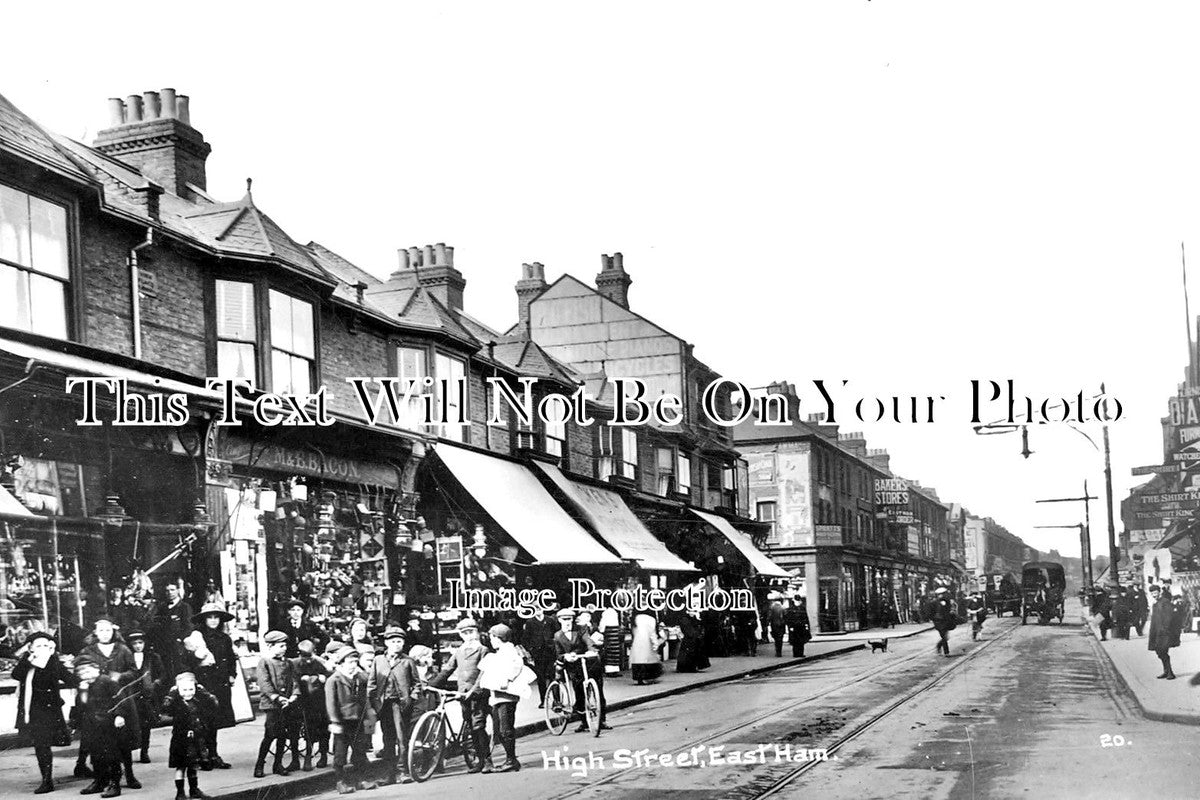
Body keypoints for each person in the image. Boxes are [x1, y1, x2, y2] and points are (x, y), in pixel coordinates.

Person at [78, 617, 142, 790]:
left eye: (108, 630)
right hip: (96, 701)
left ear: (113, 632)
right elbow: (80, 669)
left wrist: (120, 676)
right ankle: (101, 779)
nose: (105, 634)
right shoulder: (88, 650)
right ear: (95, 632)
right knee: (97, 741)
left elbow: (135, 672)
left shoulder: (122, 650)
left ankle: (129, 775)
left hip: (120, 699)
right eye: (101, 630)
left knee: (123, 740)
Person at [13, 631, 78, 794]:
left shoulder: (53, 661)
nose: (42, 648)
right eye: (38, 645)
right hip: (33, 709)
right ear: (31, 648)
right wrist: (29, 661)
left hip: (50, 709)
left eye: (45, 645)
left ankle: (51, 778)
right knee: (40, 744)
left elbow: (68, 677)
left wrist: (85, 681)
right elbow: (16, 675)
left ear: (50, 647)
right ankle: (46, 780)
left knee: (45, 743)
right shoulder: (27, 661)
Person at [429, 618, 491, 769]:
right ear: (461, 635)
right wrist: (431, 686)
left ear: (477, 633)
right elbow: (447, 670)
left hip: (478, 694)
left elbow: (484, 673)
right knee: (470, 725)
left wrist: (474, 690)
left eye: (471, 632)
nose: (469, 636)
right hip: (463, 694)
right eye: (465, 633)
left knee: (478, 726)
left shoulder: (483, 650)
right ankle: (478, 760)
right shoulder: (459, 652)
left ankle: (487, 760)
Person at [72, 655, 135, 798]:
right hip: (92, 725)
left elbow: (120, 698)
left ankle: (115, 784)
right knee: (96, 755)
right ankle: (99, 781)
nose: (85, 675)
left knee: (112, 755)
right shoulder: (85, 686)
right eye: (81, 673)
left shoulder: (106, 681)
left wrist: (119, 715)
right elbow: (81, 705)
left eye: (87, 671)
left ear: (96, 669)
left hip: (108, 725)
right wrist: (83, 691)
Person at [366, 625, 419, 785]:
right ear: (387, 643)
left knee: (402, 738)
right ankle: (389, 774)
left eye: (400, 641)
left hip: (401, 705)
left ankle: (403, 771)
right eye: (393, 641)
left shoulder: (407, 661)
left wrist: (412, 697)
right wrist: (373, 703)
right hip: (384, 705)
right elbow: (372, 683)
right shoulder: (378, 660)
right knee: (387, 739)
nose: (396, 644)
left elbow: (417, 684)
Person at [478, 623, 533, 773]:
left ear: (498, 638)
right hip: (498, 696)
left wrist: (507, 679)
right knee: (501, 729)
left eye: (492, 637)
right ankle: (510, 759)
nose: (491, 640)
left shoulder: (509, 651)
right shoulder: (500, 651)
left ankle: (511, 760)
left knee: (505, 729)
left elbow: (517, 665)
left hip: (506, 696)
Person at [187, 603, 237, 769]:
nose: (214, 620)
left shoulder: (225, 638)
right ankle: (202, 755)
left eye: (216, 617)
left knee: (215, 721)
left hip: (221, 683)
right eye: (210, 617)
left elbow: (230, 659)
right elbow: (189, 660)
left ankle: (213, 754)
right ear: (204, 619)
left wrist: (231, 674)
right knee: (202, 721)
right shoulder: (197, 637)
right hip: (205, 683)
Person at [325, 647, 376, 794]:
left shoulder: (360, 678)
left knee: (360, 752)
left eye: (355, 661)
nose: (353, 665)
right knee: (340, 754)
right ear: (340, 664)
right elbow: (331, 704)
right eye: (349, 662)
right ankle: (340, 782)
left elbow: (365, 698)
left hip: (358, 721)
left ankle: (361, 779)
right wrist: (335, 721)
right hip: (342, 722)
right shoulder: (333, 680)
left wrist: (368, 717)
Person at [160, 673, 218, 800]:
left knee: (193, 765)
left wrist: (203, 691)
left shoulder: (197, 701)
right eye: (184, 690)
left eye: (191, 689)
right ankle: (180, 792)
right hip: (181, 741)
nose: (188, 693)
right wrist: (172, 694)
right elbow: (165, 708)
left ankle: (194, 789)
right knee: (181, 767)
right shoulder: (176, 704)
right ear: (178, 690)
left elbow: (213, 703)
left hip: (196, 740)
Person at [254, 630, 301, 778]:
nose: (284, 648)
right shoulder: (264, 662)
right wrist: (276, 697)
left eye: (285, 645)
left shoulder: (288, 663)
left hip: (286, 704)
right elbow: (264, 683)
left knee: (282, 735)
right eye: (280, 646)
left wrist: (294, 695)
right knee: (270, 735)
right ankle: (259, 764)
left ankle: (278, 764)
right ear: (270, 646)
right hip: (272, 705)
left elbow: (294, 681)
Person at [125, 631, 164, 765]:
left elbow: (162, 674)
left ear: (145, 643)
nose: (138, 646)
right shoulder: (128, 657)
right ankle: (128, 752)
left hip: (147, 696)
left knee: (146, 725)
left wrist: (154, 684)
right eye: (134, 643)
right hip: (132, 695)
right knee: (131, 723)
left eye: (140, 643)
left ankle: (144, 751)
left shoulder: (153, 657)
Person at [294, 639, 332, 771]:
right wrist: (301, 679)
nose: (308, 660)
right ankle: (308, 756)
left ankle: (323, 755)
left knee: (323, 729)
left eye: (310, 656)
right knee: (309, 730)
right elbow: (292, 680)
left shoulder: (319, 662)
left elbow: (329, 674)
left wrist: (322, 677)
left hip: (321, 702)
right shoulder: (296, 664)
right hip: (305, 702)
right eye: (305, 656)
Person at [152, 582, 194, 682]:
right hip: (164, 647)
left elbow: (189, 627)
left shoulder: (184, 607)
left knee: (179, 674)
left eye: (172, 590)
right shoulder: (161, 607)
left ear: (178, 590)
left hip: (178, 648)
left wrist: (180, 639)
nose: (169, 593)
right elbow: (156, 625)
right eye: (167, 590)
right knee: (165, 675)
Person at [1148, 584, 1185, 680]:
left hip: (1164, 632)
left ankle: (1170, 673)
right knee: (1159, 651)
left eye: (1155, 593)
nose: (1154, 595)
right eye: (1152, 593)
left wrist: (1165, 628)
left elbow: (1169, 617)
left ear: (1159, 592)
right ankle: (1166, 671)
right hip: (1157, 632)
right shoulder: (1155, 604)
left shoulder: (1165, 602)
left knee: (1163, 651)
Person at [630, 612, 664, 685]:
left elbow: (633, 631)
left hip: (637, 642)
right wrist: (655, 644)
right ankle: (647, 678)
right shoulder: (651, 619)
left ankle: (639, 679)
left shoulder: (636, 617)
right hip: (647, 643)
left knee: (638, 660)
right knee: (648, 661)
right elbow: (652, 633)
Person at [930, 587, 956, 656]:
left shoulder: (947, 601)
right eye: (942, 594)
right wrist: (934, 619)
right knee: (944, 637)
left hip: (946, 622)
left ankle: (939, 646)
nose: (944, 595)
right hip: (938, 622)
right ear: (938, 595)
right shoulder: (934, 603)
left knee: (946, 637)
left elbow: (949, 610)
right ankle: (946, 652)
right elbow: (931, 612)